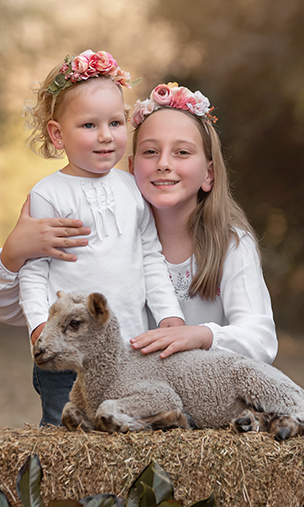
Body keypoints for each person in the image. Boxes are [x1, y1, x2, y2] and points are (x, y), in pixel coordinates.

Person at [0, 82, 277, 418]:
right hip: (119, 378)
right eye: (150, 152)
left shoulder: (230, 244)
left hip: (196, 398)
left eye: (182, 152)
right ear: (130, 166)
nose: (164, 163)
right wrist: (12, 256)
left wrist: (194, 333)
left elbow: (261, 340)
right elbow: (10, 310)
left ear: (208, 174)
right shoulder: (94, 223)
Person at [10, 51, 185, 426]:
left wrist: (170, 314)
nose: (106, 136)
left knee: (123, 428)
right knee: (67, 429)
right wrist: (40, 326)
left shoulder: (133, 187)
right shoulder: (50, 194)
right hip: (66, 353)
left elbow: (150, 257)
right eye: (89, 125)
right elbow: (33, 271)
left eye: (116, 123)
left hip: (128, 350)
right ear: (58, 134)